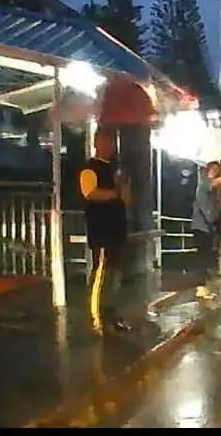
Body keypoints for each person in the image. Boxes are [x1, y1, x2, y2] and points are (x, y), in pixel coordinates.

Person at [79, 127, 132, 333]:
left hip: (118, 228)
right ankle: (96, 318)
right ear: (96, 143)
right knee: (101, 272)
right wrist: (115, 192)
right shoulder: (89, 168)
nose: (110, 146)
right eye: (106, 142)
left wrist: (124, 186)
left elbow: (128, 199)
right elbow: (90, 193)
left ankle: (112, 314)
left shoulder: (117, 169)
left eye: (112, 142)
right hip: (100, 228)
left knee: (115, 275)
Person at [190, 161, 221, 299]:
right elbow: (206, 208)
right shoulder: (204, 184)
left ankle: (203, 286)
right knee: (202, 256)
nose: (215, 172)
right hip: (202, 226)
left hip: (207, 226)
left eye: (217, 170)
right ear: (208, 170)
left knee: (205, 255)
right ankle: (200, 286)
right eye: (213, 169)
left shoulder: (212, 190)